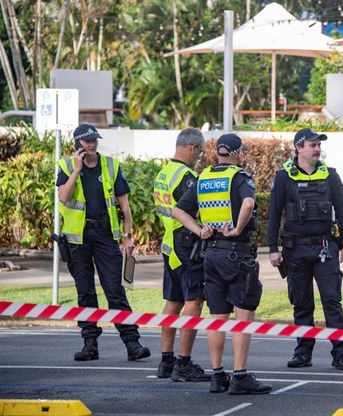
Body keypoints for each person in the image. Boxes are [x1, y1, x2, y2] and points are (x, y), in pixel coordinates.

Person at [172, 133, 272, 395]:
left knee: (217, 316)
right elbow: (249, 202)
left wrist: (199, 230)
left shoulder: (203, 177)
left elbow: (178, 211)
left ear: (218, 153)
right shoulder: (239, 176)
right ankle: (239, 376)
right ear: (238, 153)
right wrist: (237, 228)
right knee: (243, 314)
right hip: (236, 253)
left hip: (210, 255)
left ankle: (218, 375)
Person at [56, 123, 150, 362]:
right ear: (77, 144)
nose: (92, 145)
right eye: (87, 142)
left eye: (94, 141)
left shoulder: (110, 165)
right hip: (77, 239)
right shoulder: (66, 166)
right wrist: (76, 170)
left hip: (105, 236)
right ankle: (90, 345)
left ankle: (132, 343)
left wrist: (128, 238)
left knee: (115, 289)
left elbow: (125, 207)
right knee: (85, 292)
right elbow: (64, 199)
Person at [266, 128, 343, 371]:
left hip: (325, 247)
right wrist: (273, 248)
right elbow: (274, 215)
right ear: (299, 147)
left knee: (332, 301)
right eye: (312, 144)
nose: (317, 149)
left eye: (318, 145)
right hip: (295, 251)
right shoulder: (284, 177)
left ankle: (340, 354)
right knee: (302, 304)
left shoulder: (331, 176)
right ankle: (303, 352)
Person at [153, 128, 211, 382]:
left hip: (169, 244)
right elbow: (194, 211)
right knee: (194, 302)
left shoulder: (163, 173)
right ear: (191, 147)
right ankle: (184, 364)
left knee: (173, 301)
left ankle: (167, 361)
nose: (199, 156)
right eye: (199, 151)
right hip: (187, 245)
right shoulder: (187, 177)